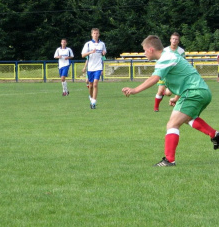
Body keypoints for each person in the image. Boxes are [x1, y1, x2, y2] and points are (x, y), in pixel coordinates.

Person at [122, 35, 219, 167]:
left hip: (193, 92)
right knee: (187, 119)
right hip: (202, 91)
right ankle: (215, 135)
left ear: (151, 49)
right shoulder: (169, 55)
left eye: (144, 50)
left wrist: (135, 90)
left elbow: (155, 78)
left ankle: (169, 160)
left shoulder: (164, 58)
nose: (144, 53)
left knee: (172, 125)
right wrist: (175, 97)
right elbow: (181, 79)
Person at [153, 32, 185, 112]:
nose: (174, 40)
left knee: (169, 93)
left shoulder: (181, 51)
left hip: (174, 75)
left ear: (178, 41)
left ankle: (165, 94)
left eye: (176, 39)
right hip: (165, 73)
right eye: (173, 39)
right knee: (160, 90)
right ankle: (156, 107)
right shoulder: (165, 50)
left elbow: (183, 63)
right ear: (170, 40)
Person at [81, 28, 107, 109]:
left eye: (97, 33)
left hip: (98, 67)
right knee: (91, 85)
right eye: (94, 33)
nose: (96, 35)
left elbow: (104, 53)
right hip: (90, 68)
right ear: (92, 34)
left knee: (95, 84)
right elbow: (83, 55)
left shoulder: (102, 44)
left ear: (99, 34)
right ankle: (91, 98)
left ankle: (94, 103)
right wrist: (90, 52)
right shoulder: (88, 44)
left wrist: (103, 53)